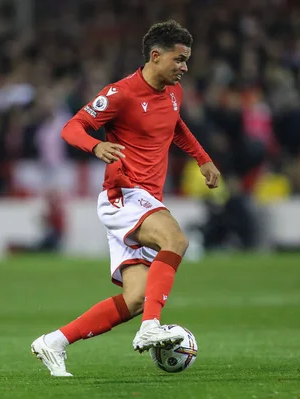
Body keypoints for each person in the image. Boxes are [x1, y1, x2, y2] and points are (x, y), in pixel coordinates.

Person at [30, 20, 221, 377]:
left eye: (186, 60)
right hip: (125, 195)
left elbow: (176, 126)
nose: (184, 67)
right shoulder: (122, 93)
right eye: (179, 60)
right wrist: (96, 144)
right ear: (155, 55)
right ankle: (151, 326)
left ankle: (54, 342)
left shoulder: (173, 93)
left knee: (135, 299)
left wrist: (202, 158)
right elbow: (72, 127)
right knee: (175, 239)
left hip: (143, 199)